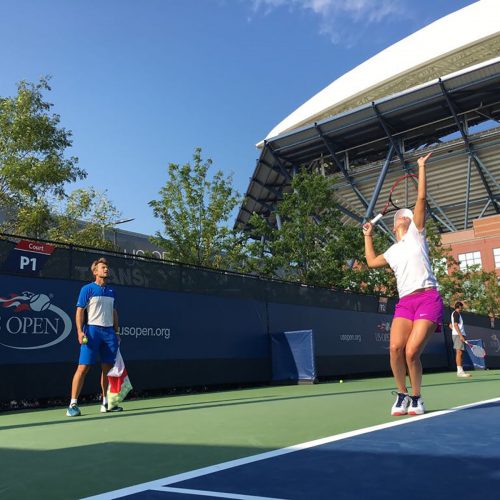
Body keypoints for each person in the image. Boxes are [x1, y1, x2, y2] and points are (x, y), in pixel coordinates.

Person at [363, 152, 443, 416]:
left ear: (410, 222)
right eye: (398, 216)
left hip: (427, 298)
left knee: (411, 352)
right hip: (406, 302)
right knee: (395, 348)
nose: (401, 217)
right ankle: (402, 395)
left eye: (404, 216)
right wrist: (368, 235)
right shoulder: (393, 250)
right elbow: (372, 261)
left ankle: (418, 398)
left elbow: (421, 199)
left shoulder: (417, 235)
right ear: (394, 224)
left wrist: (421, 167)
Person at [66, 257, 123, 416]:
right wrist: (79, 331)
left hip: (109, 333)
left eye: (107, 267)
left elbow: (114, 312)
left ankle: (106, 403)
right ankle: (73, 404)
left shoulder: (112, 292)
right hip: (92, 332)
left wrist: (116, 332)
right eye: (102, 267)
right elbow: (79, 311)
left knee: (108, 370)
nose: (106, 269)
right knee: (83, 368)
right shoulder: (87, 289)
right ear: (95, 271)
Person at [450, 301, 471, 378]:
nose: (462, 309)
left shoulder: (455, 314)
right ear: (459, 307)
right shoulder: (456, 313)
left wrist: (455, 331)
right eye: (461, 307)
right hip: (458, 335)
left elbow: (450, 325)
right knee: (459, 352)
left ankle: (460, 371)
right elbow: (455, 325)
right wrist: (460, 335)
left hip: (457, 334)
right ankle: (459, 372)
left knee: (460, 352)